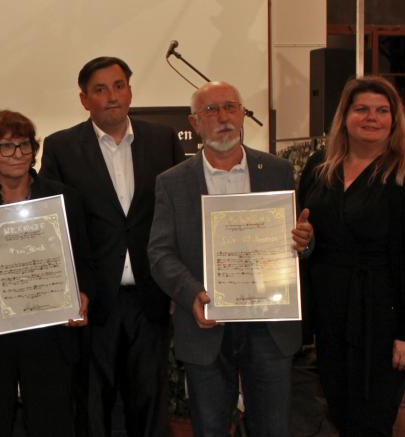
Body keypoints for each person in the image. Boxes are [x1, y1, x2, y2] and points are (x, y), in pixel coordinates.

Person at [148, 82, 311, 436]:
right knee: (210, 429)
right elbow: (160, 252)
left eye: (230, 107)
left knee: (273, 427)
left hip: (270, 324)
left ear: (242, 114)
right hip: (206, 323)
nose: (223, 118)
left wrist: (304, 240)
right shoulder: (172, 183)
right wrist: (192, 294)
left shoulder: (278, 170)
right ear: (194, 123)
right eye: (211, 110)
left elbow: (297, 240)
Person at [39, 56, 184, 437]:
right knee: (93, 402)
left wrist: (180, 286)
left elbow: (179, 217)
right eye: (100, 89)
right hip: (93, 297)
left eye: (119, 86)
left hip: (152, 295)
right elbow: (55, 226)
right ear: (84, 99)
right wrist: (69, 291)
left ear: (130, 92)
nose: (112, 96)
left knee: (150, 401)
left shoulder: (162, 140)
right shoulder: (61, 147)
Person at [297, 75, 405, 435]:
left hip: (384, 317)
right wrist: (304, 240)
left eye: (382, 110)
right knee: (341, 415)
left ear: (394, 120)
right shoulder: (320, 168)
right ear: (344, 115)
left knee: (372, 421)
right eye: (361, 108)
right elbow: (303, 232)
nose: (372, 117)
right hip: (331, 314)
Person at [0, 110, 91, 436]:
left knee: (52, 425)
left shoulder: (63, 199)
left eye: (24, 145)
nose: (18, 154)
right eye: (6, 146)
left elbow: (85, 260)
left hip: (49, 337)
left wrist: (83, 294)